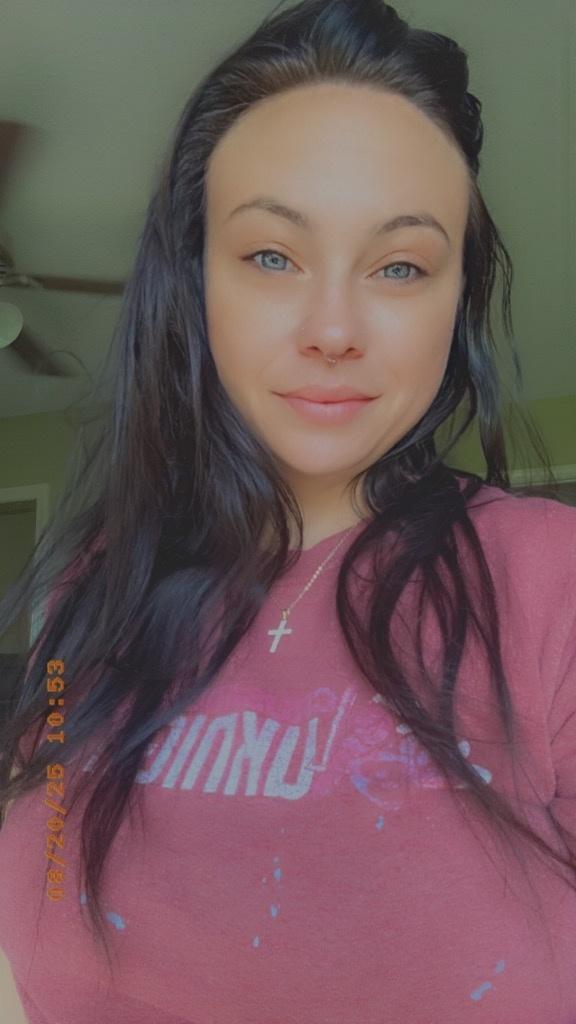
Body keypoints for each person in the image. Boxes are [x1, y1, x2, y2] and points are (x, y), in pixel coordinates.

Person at [0, 0, 575, 1021]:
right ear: (197, 283)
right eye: (272, 255)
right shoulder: (93, 586)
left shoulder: (552, 579)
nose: (334, 327)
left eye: (401, 266)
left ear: (456, 300)